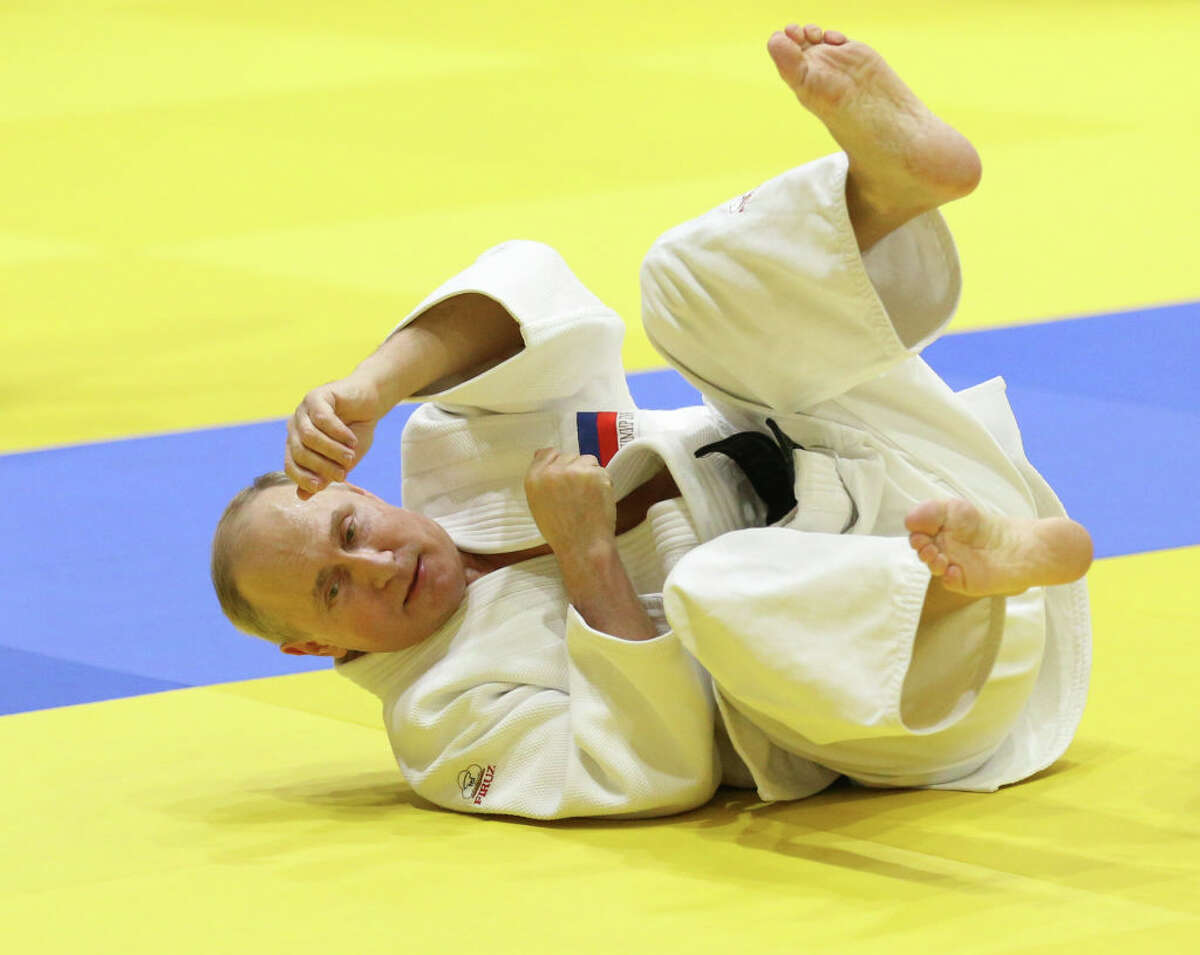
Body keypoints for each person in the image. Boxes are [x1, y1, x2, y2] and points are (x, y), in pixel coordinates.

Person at [211, 24, 1094, 819]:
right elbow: (655, 772)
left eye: (351, 529)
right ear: (312, 644)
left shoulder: (450, 452)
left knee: (675, 284)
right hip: (932, 688)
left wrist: (368, 387)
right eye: (334, 587)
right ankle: (958, 583)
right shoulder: (441, 724)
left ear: (358, 491)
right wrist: (588, 555)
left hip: (905, 479)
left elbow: (533, 289)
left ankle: (892, 189)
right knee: (715, 587)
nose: (375, 564)